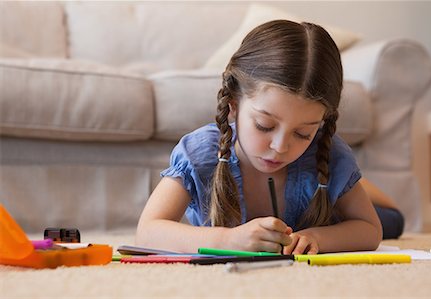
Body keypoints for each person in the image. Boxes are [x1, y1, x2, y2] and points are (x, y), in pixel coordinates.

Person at [136, 20, 387, 255]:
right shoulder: (200, 153)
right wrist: (228, 240)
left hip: (335, 214)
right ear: (233, 105)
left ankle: (365, 189)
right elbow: (147, 232)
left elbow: (371, 230)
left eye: (303, 133)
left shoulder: (330, 153)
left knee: (392, 220)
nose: (279, 147)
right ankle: (362, 187)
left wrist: (319, 238)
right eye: (264, 125)